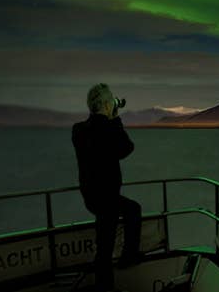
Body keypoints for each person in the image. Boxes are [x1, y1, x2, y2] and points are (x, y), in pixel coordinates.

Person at [72, 83, 142, 291]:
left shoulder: (78, 129)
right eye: (111, 99)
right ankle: (126, 260)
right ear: (105, 104)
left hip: (90, 195)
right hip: (107, 197)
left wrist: (109, 119)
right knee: (107, 245)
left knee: (105, 243)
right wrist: (115, 119)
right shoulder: (107, 129)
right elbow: (126, 148)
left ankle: (110, 278)